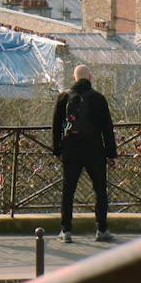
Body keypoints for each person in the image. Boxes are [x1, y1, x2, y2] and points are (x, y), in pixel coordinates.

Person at [53, 64, 118, 244]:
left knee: (68, 191)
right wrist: (111, 153)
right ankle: (102, 229)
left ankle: (66, 230)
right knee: (100, 190)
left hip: (71, 151)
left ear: (74, 78)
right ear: (90, 78)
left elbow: (56, 127)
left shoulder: (64, 97)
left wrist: (57, 150)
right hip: (95, 151)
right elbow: (107, 128)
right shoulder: (98, 98)